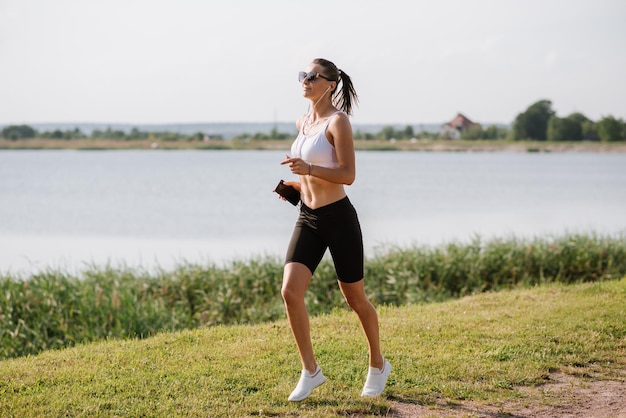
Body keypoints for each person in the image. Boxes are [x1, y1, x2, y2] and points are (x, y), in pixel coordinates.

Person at [276, 58, 391, 402]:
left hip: (338, 218)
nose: (305, 81)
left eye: (312, 77)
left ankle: (377, 364)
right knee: (290, 292)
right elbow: (309, 174)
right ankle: (310, 372)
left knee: (356, 299)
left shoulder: (337, 122)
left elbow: (347, 174)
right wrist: (295, 186)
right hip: (308, 217)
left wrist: (309, 167)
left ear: (330, 84)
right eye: (303, 75)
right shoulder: (303, 121)